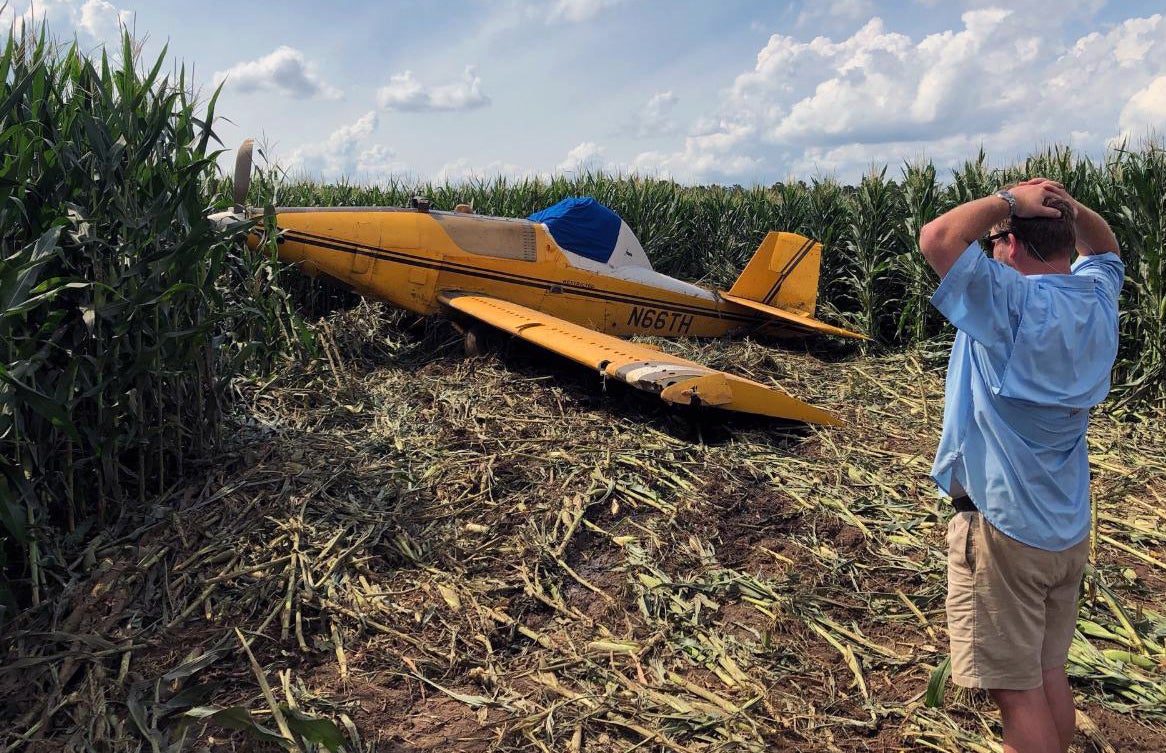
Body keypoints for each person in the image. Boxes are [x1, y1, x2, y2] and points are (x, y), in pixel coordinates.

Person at [917, 179, 1123, 753]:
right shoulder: (1095, 300)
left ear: (1011, 244)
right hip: (1064, 524)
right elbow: (1105, 253)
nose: (988, 249)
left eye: (995, 240)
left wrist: (1008, 203)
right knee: (1046, 671)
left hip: (1004, 528)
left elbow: (937, 238)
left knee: (1015, 691)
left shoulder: (1008, 302)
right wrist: (1069, 209)